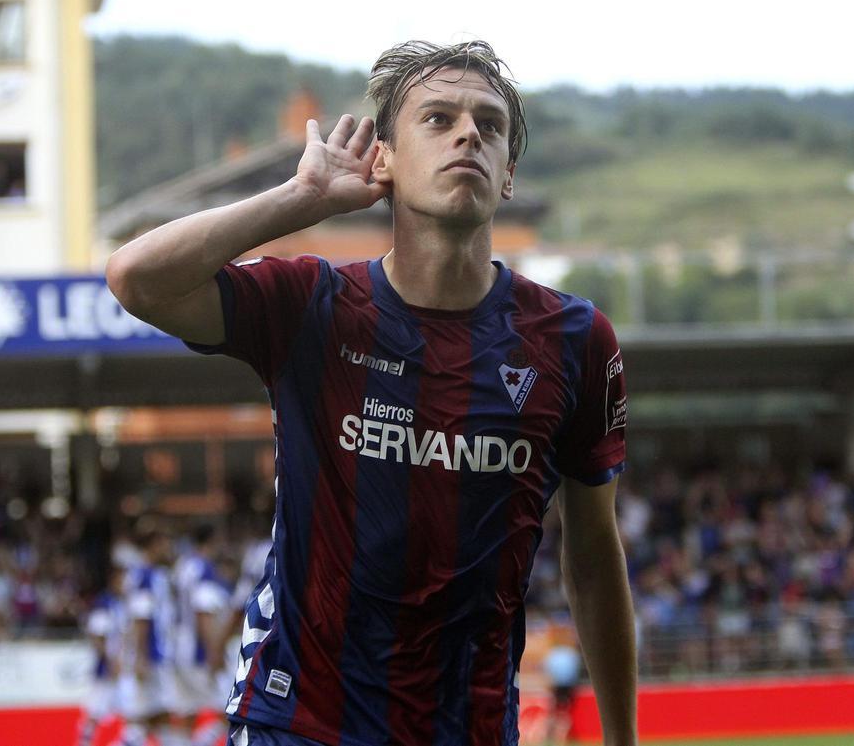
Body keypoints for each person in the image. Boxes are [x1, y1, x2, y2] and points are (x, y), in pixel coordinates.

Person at [107, 39, 634, 746]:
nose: (468, 133)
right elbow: (136, 277)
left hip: (469, 729)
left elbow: (595, 560)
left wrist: (624, 738)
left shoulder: (574, 340)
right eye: (438, 118)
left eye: (489, 124)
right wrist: (300, 200)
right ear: (381, 159)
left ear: (508, 173)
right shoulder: (314, 304)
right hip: (299, 721)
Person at [172, 525, 232, 746]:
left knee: (188, 714)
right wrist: (214, 651)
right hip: (198, 649)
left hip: (178, 645)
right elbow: (203, 610)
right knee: (230, 711)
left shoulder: (182, 566)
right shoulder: (204, 568)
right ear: (213, 540)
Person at [123, 529, 178, 746]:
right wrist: (140, 657)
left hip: (157, 654)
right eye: (165, 542)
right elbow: (140, 616)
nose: (169, 548)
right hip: (151, 655)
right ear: (154, 544)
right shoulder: (144, 576)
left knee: (159, 717)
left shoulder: (156, 575)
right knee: (145, 718)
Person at [79, 564, 131, 746]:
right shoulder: (104, 603)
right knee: (95, 713)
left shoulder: (121, 604)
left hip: (123, 669)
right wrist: (110, 662)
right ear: (114, 579)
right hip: (107, 670)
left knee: (132, 714)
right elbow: (97, 636)